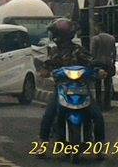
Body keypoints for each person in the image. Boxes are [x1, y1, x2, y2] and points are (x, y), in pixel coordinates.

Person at [38, 18, 106, 155]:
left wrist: (99, 71)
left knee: (97, 116)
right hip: (62, 89)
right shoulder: (54, 52)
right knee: (49, 114)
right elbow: (46, 66)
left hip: (81, 89)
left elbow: (91, 62)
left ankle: (100, 148)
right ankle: (42, 145)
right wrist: (44, 71)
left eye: (56, 34)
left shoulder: (78, 50)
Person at [90, 22, 116, 110]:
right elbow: (114, 52)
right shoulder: (112, 38)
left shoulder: (95, 38)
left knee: (98, 84)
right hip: (108, 62)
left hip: (98, 63)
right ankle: (107, 104)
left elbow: (92, 52)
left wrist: (91, 62)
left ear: (98, 28)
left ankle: (98, 103)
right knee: (108, 84)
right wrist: (113, 62)